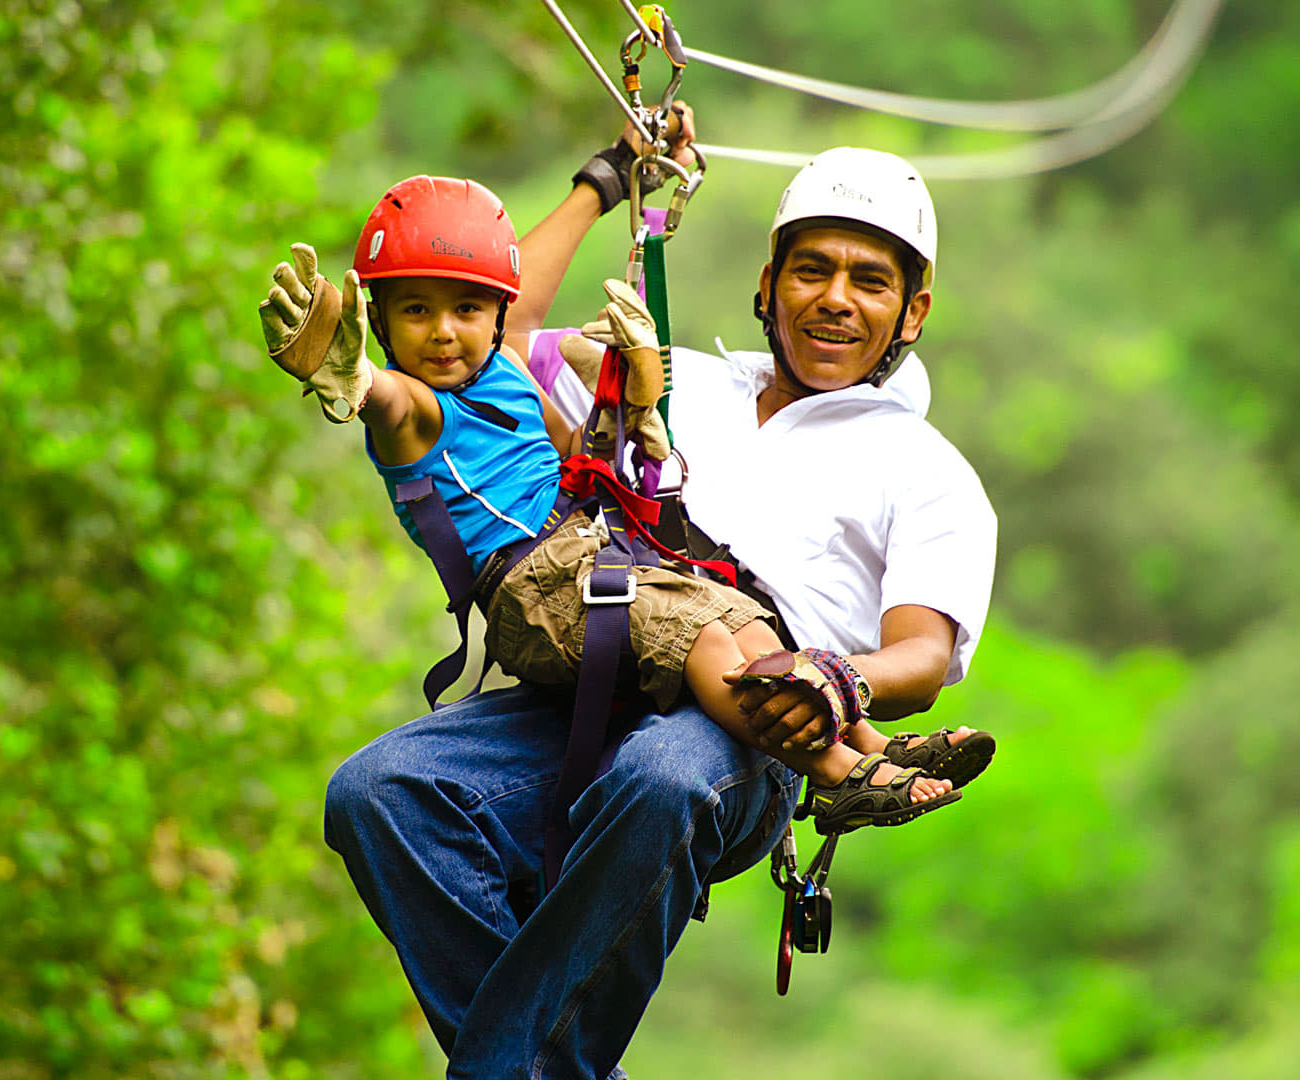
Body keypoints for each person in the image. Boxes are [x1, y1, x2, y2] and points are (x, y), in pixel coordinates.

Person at [310, 124, 997, 1080]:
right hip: (594, 662)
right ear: (768, 285)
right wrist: (603, 182)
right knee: (381, 793)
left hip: (754, 725)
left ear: (912, 310)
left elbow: (920, 657)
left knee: (662, 776)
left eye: (869, 282)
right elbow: (491, 336)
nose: (835, 298)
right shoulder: (678, 378)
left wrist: (835, 680)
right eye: (812, 271)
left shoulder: (925, 470)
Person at [259, 174, 958, 833]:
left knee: (740, 625)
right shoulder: (417, 404)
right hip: (539, 581)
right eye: (416, 311)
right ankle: (838, 774)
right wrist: (356, 377)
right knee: (701, 644)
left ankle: (875, 748)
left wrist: (628, 406)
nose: (443, 331)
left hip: (600, 561)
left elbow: (568, 446)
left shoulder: (504, 372)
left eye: (466, 309)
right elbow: (386, 399)